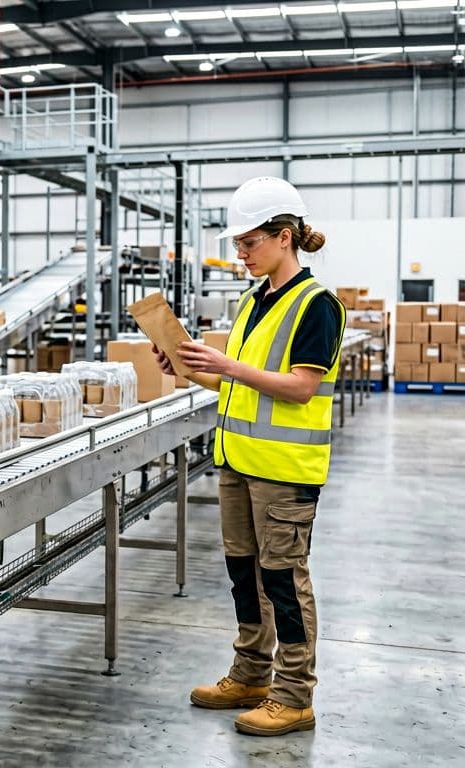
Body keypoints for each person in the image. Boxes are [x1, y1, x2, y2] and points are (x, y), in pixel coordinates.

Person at [153, 177, 344, 737]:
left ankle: (294, 695)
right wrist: (192, 370)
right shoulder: (252, 301)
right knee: (244, 575)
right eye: (237, 243)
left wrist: (229, 366)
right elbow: (241, 390)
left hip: (285, 473)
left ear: (285, 238)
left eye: (248, 242)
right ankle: (252, 673)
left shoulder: (317, 305)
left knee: (284, 581)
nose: (239, 253)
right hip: (238, 462)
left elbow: (301, 387)